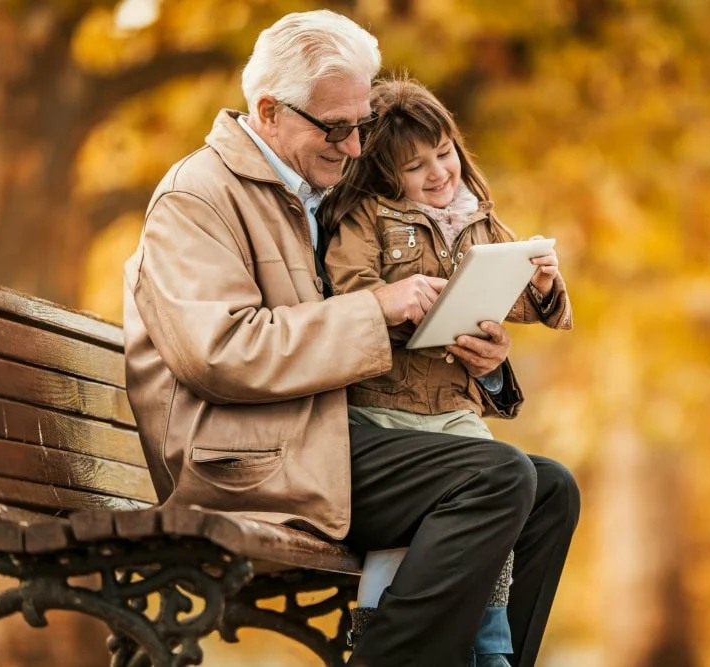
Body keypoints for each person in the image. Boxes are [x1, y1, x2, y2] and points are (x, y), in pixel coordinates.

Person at [121, 10, 580, 667]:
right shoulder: (198, 198)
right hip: (247, 456)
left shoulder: (312, 194)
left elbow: (374, 354)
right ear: (269, 110)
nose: (356, 146)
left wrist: (486, 366)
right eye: (336, 128)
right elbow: (218, 351)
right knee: (496, 476)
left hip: (323, 434)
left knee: (551, 489)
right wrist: (375, 309)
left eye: (360, 125)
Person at [319, 77, 573, 667]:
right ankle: (415, 652)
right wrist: (400, 305)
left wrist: (537, 287)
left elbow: (507, 297)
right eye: (415, 167)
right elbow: (353, 295)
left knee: (552, 486)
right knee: (496, 481)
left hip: (452, 413)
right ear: (384, 172)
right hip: (383, 417)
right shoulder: (368, 218)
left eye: (444, 154)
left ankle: (493, 655)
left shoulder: (478, 221)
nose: (438, 174)